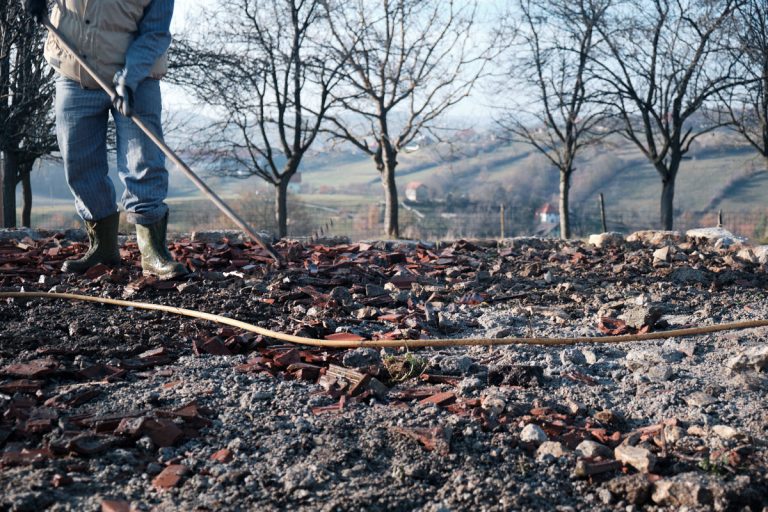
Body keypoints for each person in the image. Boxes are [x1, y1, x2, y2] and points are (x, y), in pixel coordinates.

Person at [23, 0, 187, 280]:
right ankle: (103, 248)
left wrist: (129, 78)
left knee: (143, 161)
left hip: (138, 77)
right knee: (79, 163)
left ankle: (153, 252)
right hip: (74, 68)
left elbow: (155, 31)